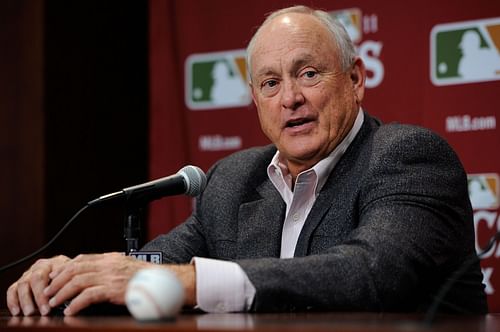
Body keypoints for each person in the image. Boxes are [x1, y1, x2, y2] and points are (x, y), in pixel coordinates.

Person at [6, 5, 487, 316]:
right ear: (256, 99)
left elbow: (372, 273)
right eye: (271, 84)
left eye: (309, 73)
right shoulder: (235, 178)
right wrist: (75, 275)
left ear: (356, 80)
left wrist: (191, 281)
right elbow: (159, 261)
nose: (291, 98)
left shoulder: (407, 157)